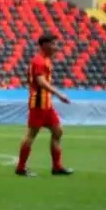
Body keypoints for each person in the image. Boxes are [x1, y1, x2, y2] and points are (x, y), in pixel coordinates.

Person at [16, 34, 73, 177]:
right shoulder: (39, 61)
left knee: (58, 131)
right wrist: (59, 94)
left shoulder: (45, 60)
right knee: (31, 134)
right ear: (44, 45)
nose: (56, 47)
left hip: (47, 104)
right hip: (38, 103)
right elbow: (40, 81)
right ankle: (21, 168)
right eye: (53, 44)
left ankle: (57, 167)